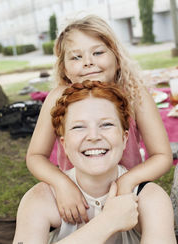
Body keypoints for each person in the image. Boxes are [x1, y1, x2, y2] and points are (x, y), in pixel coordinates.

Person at [26, 15, 172, 224]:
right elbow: (35, 156)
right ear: (64, 68)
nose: (88, 62)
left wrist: (126, 182)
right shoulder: (58, 99)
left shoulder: (135, 95)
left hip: (126, 196)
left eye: (98, 52)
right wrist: (62, 184)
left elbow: (162, 155)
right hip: (77, 200)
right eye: (76, 57)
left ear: (117, 57)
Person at [13, 81, 176, 243]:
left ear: (124, 138)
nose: (93, 136)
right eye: (78, 127)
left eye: (106, 124)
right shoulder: (40, 199)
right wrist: (108, 222)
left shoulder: (152, 199)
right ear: (64, 144)